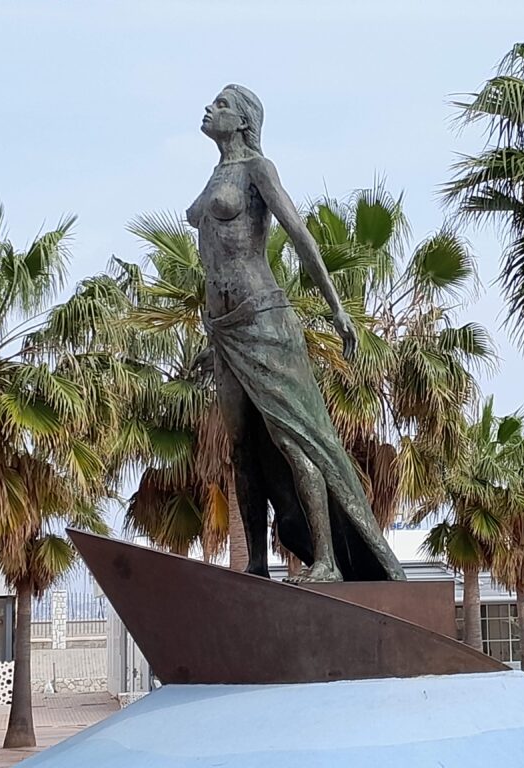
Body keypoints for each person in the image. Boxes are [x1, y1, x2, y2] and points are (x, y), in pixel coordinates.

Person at [188, 84, 405, 583]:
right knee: (243, 446)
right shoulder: (215, 174)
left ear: (243, 121)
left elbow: (300, 235)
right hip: (224, 330)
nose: (210, 108)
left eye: (221, 104)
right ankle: (257, 564)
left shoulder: (258, 169)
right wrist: (210, 342)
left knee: (295, 437)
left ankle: (327, 559)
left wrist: (336, 309)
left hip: (264, 319)